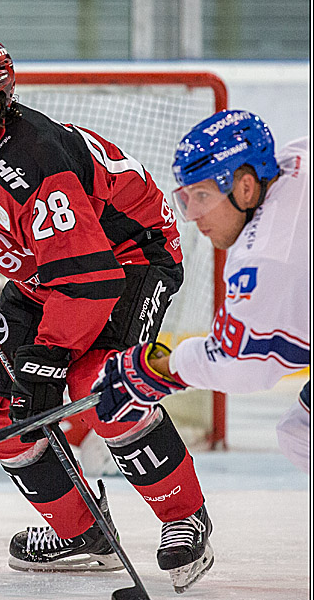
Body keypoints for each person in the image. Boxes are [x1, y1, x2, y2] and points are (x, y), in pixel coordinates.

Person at [0, 36, 213, 593]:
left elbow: (87, 281)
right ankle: (85, 534)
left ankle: (184, 516)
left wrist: (48, 359)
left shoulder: (37, 167)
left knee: (102, 385)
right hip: (43, 268)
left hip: (126, 258)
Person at [93, 112, 309, 475]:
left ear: (245, 188)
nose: (192, 214)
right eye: (187, 197)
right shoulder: (296, 157)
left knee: (302, 435)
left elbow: (242, 366)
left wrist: (151, 370)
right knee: (301, 429)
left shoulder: (264, 257)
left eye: (203, 196)